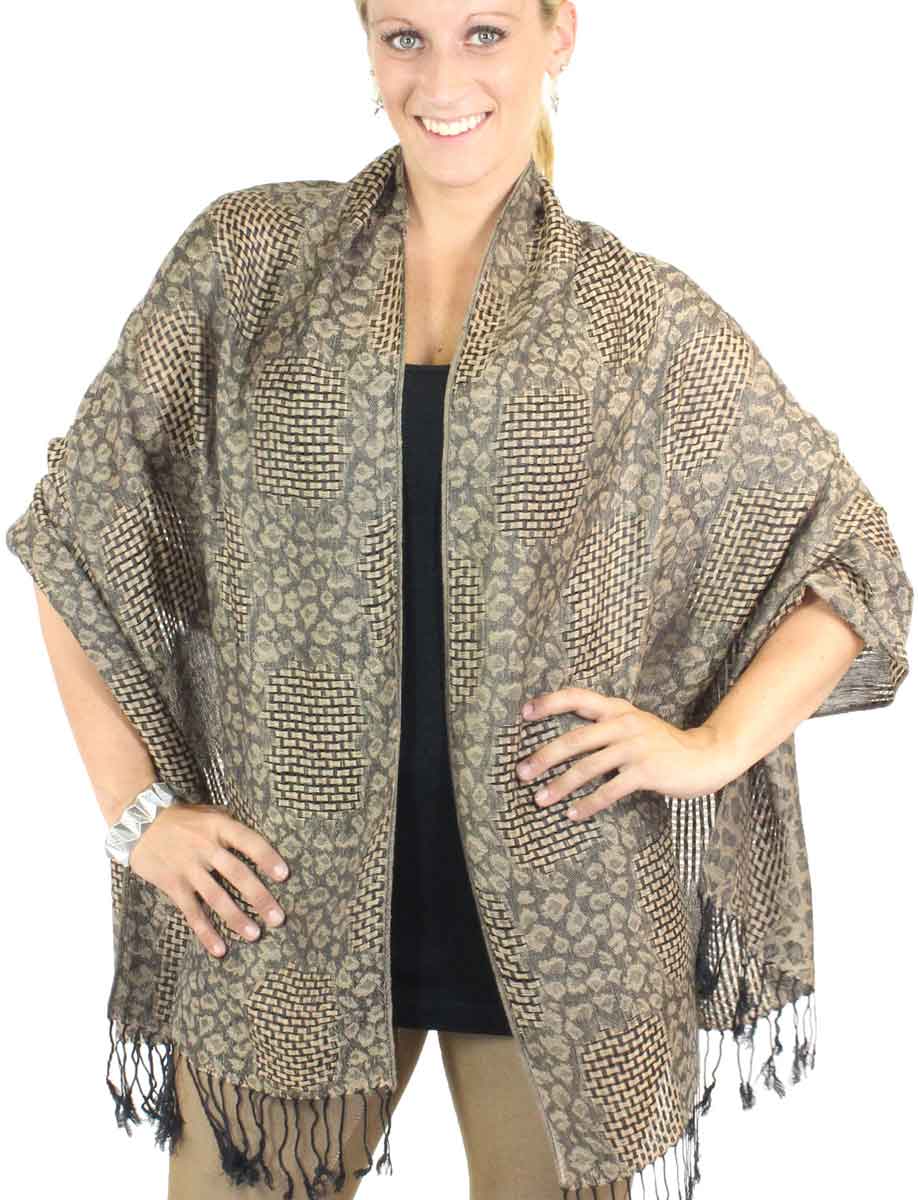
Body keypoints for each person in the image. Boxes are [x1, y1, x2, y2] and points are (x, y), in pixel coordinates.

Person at [7, 2, 911, 1199]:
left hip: (569, 924)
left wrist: (709, 747)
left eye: (485, 32)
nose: (442, 79)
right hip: (282, 918)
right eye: (405, 36)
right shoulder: (250, 264)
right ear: (366, 40)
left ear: (559, 35)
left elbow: (849, 561)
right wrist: (137, 813)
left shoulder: (638, 321)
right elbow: (81, 528)